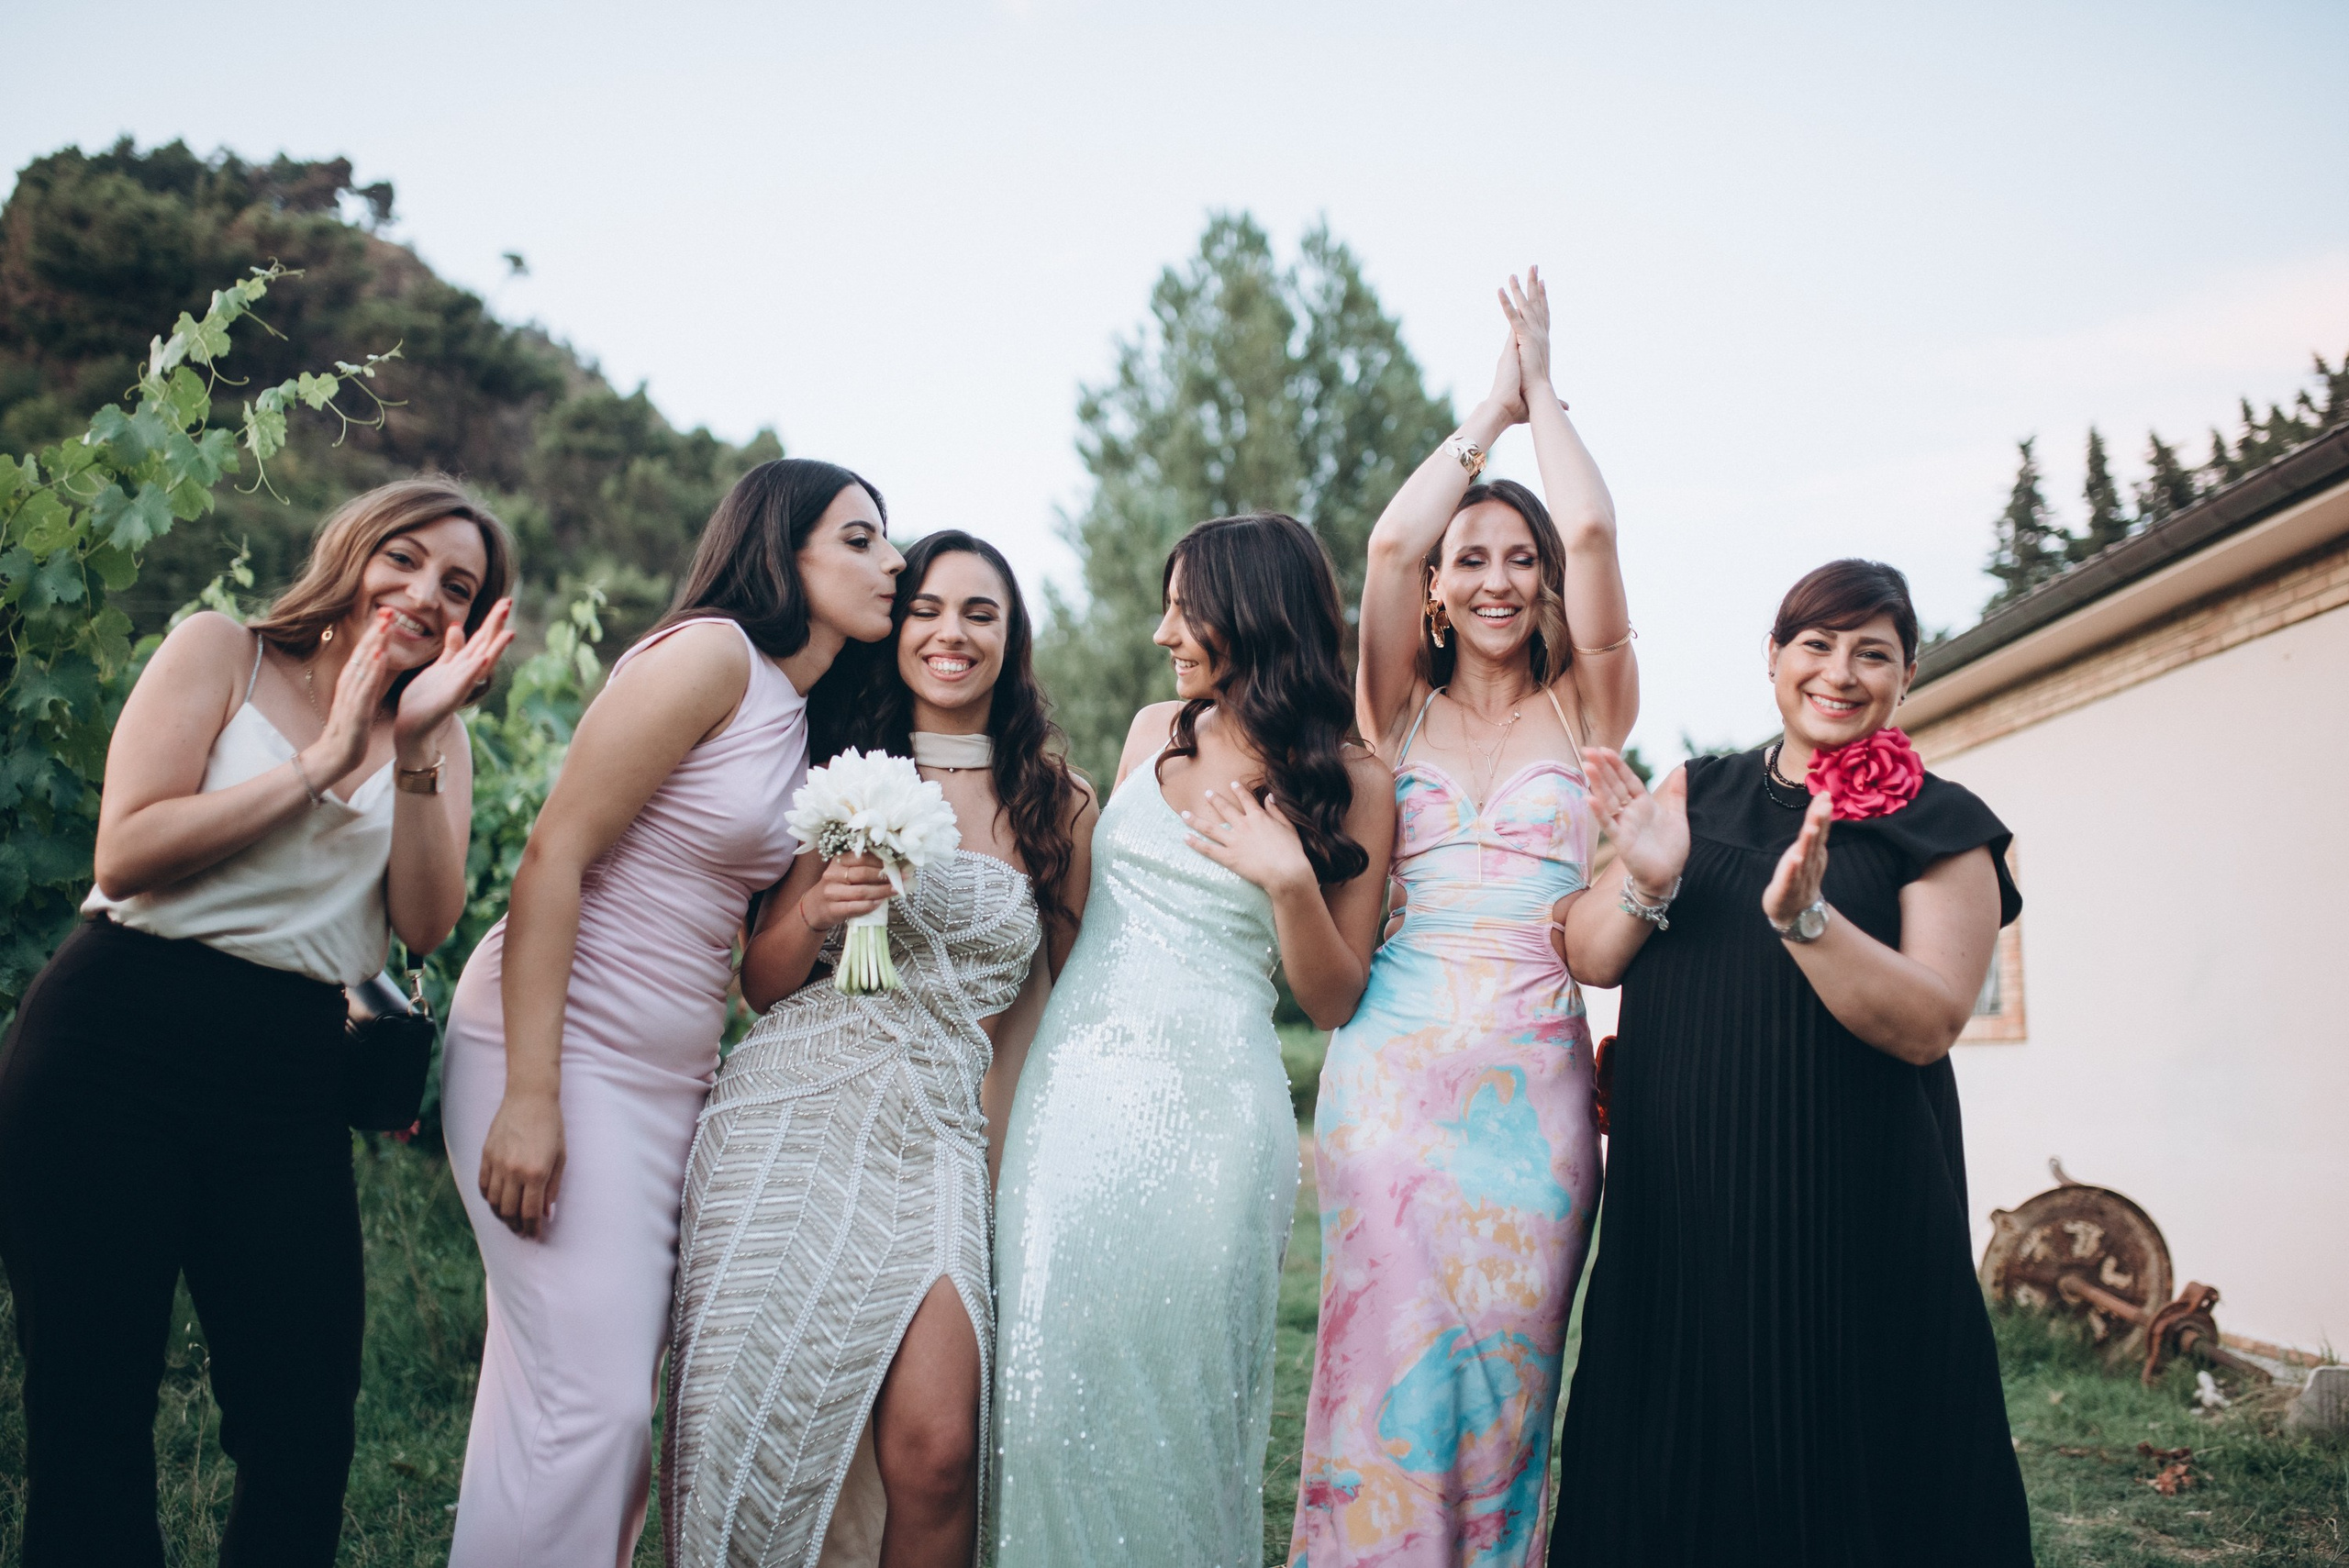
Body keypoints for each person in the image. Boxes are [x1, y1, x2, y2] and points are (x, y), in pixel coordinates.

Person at [0, 478, 514, 1567]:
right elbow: (125, 850)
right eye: (406, 558)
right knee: (91, 1410)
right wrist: (321, 761)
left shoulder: (437, 742)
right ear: (354, 551)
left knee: (304, 1421)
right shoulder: (222, 651)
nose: (425, 591)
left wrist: (411, 741)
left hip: (287, 1069)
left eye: (457, 585)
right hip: (113, 1037)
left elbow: (422, 919)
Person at [440, 459, 903, 1567]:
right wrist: (531, 1094)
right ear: (778, 551)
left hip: (669, 1086)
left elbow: (755, 960)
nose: (891, 561)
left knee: (561, 1408)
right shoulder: (711, 656)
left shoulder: (799, 718)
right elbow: (555, 851)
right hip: (559, 1047)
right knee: (598, 1414)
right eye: (858, 538)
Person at [1548, 559, 2031, 1565]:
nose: (1840, 672)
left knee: (1842, 1467)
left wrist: (1807, 920)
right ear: (1774, 656)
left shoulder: (1944, 825)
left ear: (1907, 676)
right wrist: (1641, 878)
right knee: (1671, 1462)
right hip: (1676, 1217)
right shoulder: (1697, 791)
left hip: (1850, 1220)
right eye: (1816, 644)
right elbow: (1589, 953)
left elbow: (1929, 1018)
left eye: (1873, 653)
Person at [1289, 268, 1636, 1566]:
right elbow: (1380, 543)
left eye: (1520, 558)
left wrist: (1547, 392)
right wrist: (1485, 413)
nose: (1498, 579)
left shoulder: (1593, 710)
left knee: (1507, 1384)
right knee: (1381, 1370)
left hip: (1534, 1095)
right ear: (1437, 588)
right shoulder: (1396, 710)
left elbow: (1599, 537)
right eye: (1472, 559)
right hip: (1390, 1081)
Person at [662, 529, 1095, 1567]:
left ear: (1010, 638)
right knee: (752, 1425)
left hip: (939, 1127)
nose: (950, 632)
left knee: (939, 1447)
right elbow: (764, 984)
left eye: (978, 612)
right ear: (898, 633)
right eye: (928, 609)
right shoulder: (844, 767)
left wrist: (1011, 1178)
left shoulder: (1060, 804)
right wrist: (816, 906)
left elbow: (1051, 1015)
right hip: (793, 1109)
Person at [990, 512, 1395, 1566]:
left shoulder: (1354, 779)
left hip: (1214, 1118)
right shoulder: (1152, 730)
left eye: (1185, 605)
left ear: (1251, 612)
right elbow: (1075, 921)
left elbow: (1333, 996)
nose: (1163, 627)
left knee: (1181, 1409)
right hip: (1072, 1100)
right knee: (1042, 1403)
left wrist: (1290, 879)